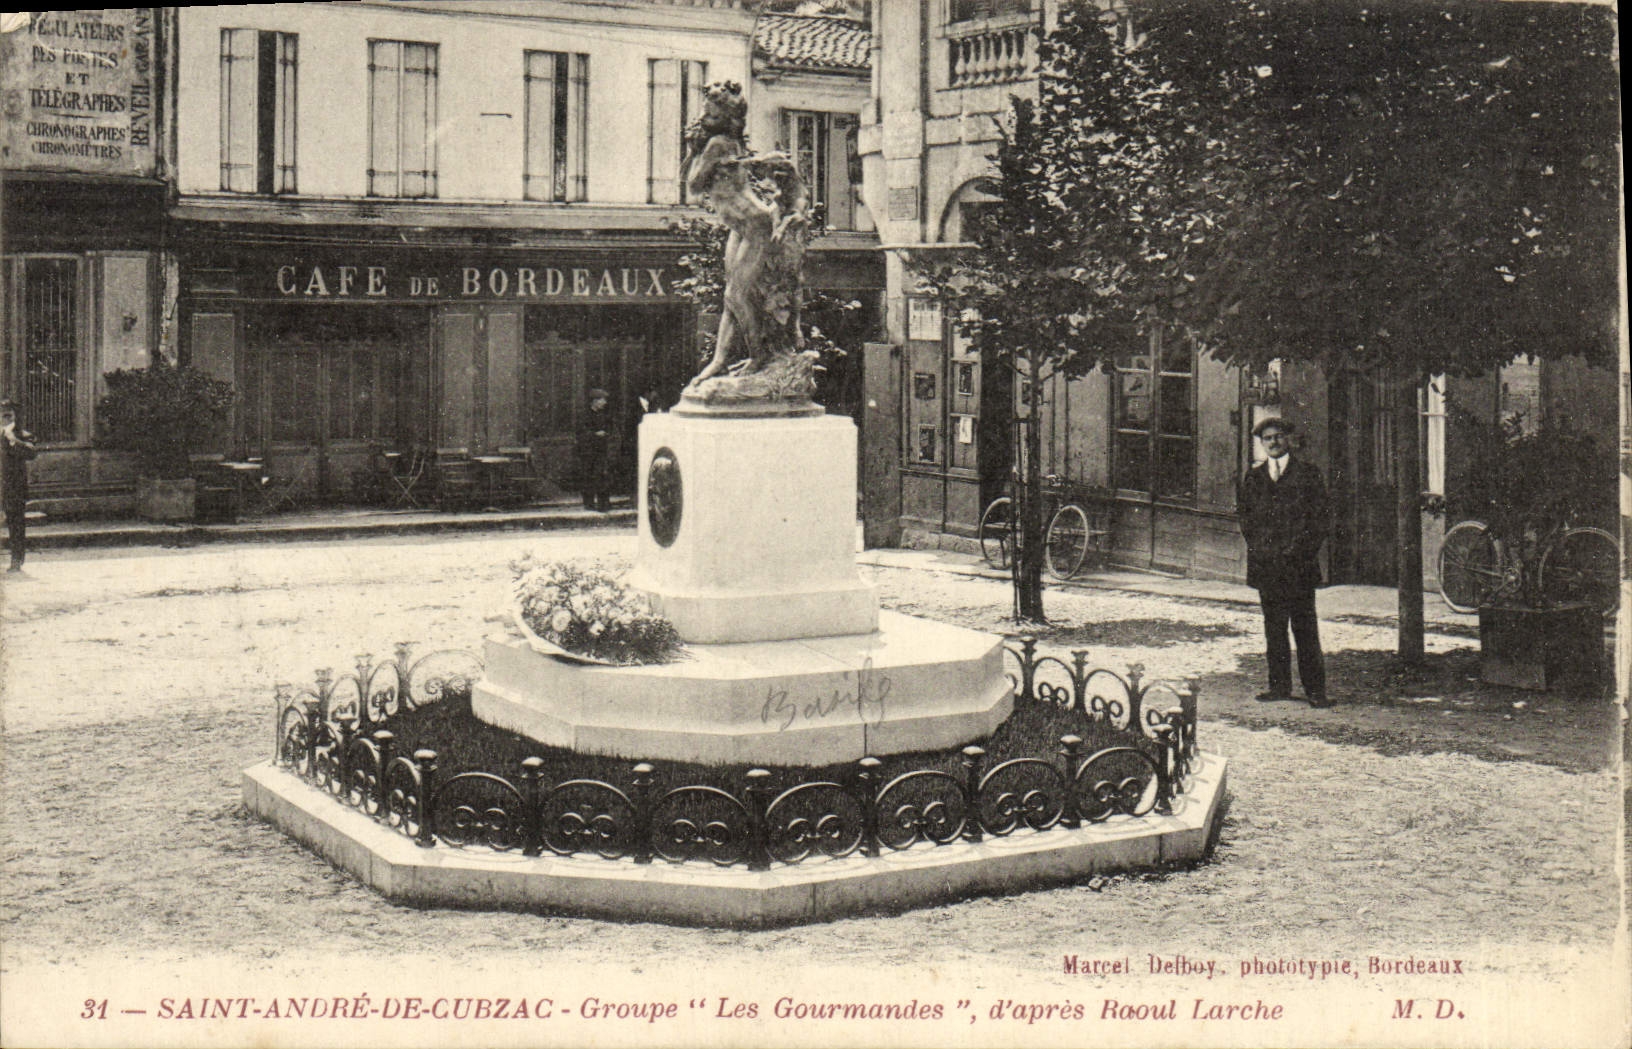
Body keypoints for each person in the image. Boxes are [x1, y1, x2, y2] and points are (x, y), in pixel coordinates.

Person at [1237, 415, 1330, 707]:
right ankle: (1278, 687)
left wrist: (1300, 550)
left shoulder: (1308, 474)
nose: (1274, 442)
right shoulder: (1254, 477)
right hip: (1268, 567)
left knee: (1305, 629)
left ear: (1288, 439)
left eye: (1278, 436)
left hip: (1299, 566)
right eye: (1268, 438)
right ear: (1261, 444)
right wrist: (1264, 550)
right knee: (1274, 628)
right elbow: (1247, 520)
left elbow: (1320, 519)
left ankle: (1315, 691)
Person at [2, 399, 39, 573]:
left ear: (14, 415)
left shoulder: (23, 435)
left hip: (13, 489)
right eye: (2, 413)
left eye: (8, 413)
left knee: (16, 525)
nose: (5, 417)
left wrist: (13, 440)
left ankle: (16, 560)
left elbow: (31, 453)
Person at [576, 388, 614, 513]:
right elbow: (581, 433)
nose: (604, 403)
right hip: (588, 451)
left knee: (602, 476)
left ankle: (603, 504)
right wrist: (595, 435)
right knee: (588, 477)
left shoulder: (604, 415)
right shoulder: (584, 415)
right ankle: (589, 503)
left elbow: (610, 430)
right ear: (594, 401)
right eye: (602, 400)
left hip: (601, 451)